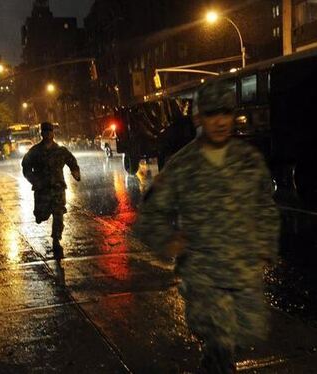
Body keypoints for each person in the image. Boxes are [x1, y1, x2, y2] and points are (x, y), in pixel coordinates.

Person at [133, 80, 280, 373]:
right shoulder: (183, 165)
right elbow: (150, 213)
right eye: (212, 114)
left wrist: (265, 247)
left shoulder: (248, 160)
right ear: (199, 118)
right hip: (203, 274)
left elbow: (265, 206)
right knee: (219, 341)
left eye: (226, 113)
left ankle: (214, 360)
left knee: (244, 336)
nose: (221, 121)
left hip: (242, 270)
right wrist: (168, 241)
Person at [22, 122, 81, 256]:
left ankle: (56, 240)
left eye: (50, 131)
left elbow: (71, 161)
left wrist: (75, 172)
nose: (48, 134)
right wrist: (34, 180)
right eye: (45, 131)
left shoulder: (60, 151)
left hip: (58, 189)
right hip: (42, 190)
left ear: (53, 133)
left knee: (58, 213)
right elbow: (26, 167)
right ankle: (40, 215)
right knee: (41, 215)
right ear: (41, 133)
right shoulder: (35, 151)